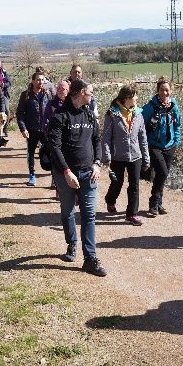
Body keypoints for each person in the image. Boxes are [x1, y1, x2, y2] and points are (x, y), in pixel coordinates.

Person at [46, 78, 106, 276]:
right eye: (90, 92)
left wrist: (97, 163)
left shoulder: (89, 115)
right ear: (80, 92)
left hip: (89, 174)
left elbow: (97, 140)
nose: (91, 95)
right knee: (68, 212)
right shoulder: (60, 117)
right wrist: (66, 171)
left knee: (89, 215)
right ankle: (72, 243)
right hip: (66, 175)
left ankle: (89, 258)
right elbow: (54, 147)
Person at [101, 84, 150, 226]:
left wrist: (146, 158)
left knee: (134, 186)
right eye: (135, 96)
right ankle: (110, 200)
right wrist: (107, 157)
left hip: (135, 156)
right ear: (127, 98)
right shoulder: (112, 114)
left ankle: (132, 214)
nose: (137, 98)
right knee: (117, 182)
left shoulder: (138, 114)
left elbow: (143, 138)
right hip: (117, 156)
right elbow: (106, 138)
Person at [140, 77, 181, 215]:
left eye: (167, 90)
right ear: (157, 91)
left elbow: (177, 125)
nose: (164, 93)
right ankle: (153, 203)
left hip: (169, 146)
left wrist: (176, 141)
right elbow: (141, 126)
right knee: (163, 172)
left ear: (170, 91)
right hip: (154, 146)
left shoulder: (174, 106)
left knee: (162, 175)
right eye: (162, 90)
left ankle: (159, 204)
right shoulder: (150, 107)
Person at [16, 71, 51, 186]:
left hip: (46, 130)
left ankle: (54, 178)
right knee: (30, 153)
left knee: (51, 152)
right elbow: (20, 113)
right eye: (38, 80)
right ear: (33, 80)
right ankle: (32, 175)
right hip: (31, 129)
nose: (40, 82)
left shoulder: (48, 94)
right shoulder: (25, 95)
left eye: (42, 80)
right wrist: (23, 128)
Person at [42, 79, 70, 192]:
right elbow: (45, 121)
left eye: (62, 88)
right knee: (56, 163)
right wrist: (48, 135)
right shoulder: (51, 104)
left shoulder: (71, 104)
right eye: (58, 88)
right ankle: (58, 187)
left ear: (68, 91)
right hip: (55, 140)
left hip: (69, 140)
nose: (59, 90)